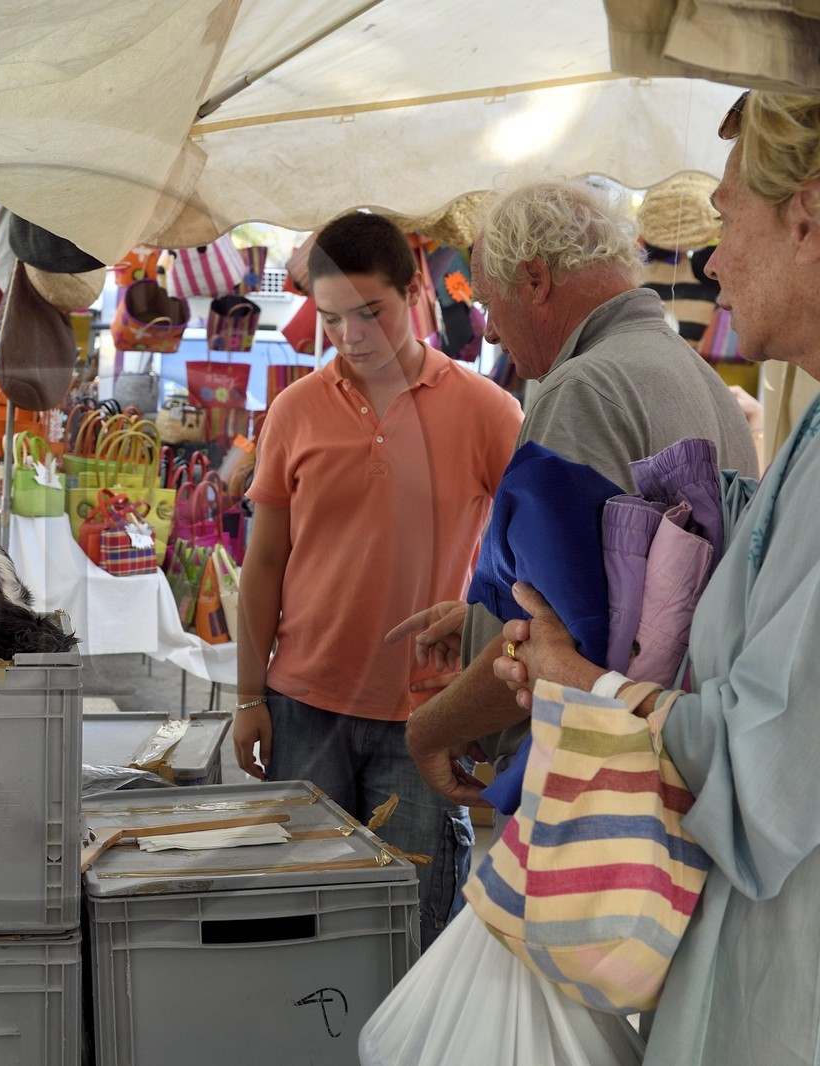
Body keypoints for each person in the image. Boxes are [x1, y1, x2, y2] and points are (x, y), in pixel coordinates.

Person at [489, 91, 820, 1065]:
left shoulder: (586, 384)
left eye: (727, 216)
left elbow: (767, 762)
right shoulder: (801, 427)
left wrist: (582, 686)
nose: (712, 261)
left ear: (806, 218)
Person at [395, 180, 758, 811]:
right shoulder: (696, 373)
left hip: (591, 782)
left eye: (490, 305)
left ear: (535, 279)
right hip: (674, 765)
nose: (491, 334)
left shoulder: (584, 387)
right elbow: (616, 602)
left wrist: (430, 729)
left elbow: (552, 642)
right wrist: (480, 622)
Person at [231, 211, 524, 950]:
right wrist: (247, 697)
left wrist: (479, 626)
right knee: (301, 928)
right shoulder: (296, 410)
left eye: (370, 313)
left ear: (414, 291)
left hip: (425, 714)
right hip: (302, 706)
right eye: (332, 318)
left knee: (413, 931)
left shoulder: (488, 410)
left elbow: (532, 552)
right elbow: (264, 563)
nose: (351, 335)